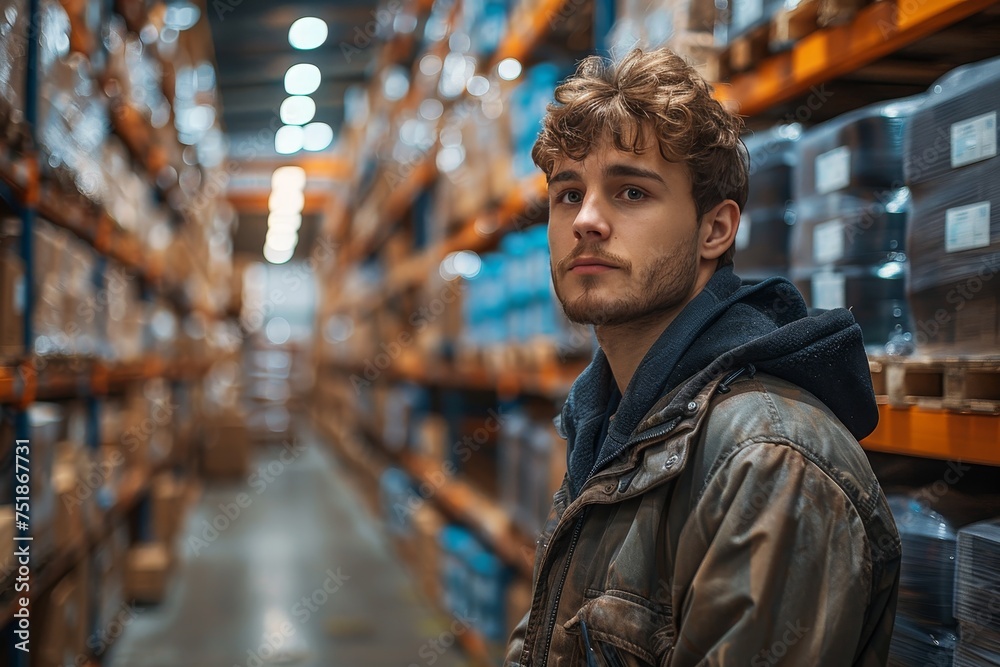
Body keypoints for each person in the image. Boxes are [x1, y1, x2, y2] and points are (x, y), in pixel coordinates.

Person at [504, 48, 901, 667]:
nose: (586, 220)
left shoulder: (769, 462)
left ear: (715, 230)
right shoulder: (607, 423)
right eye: (568, 193)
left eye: (630, 191)